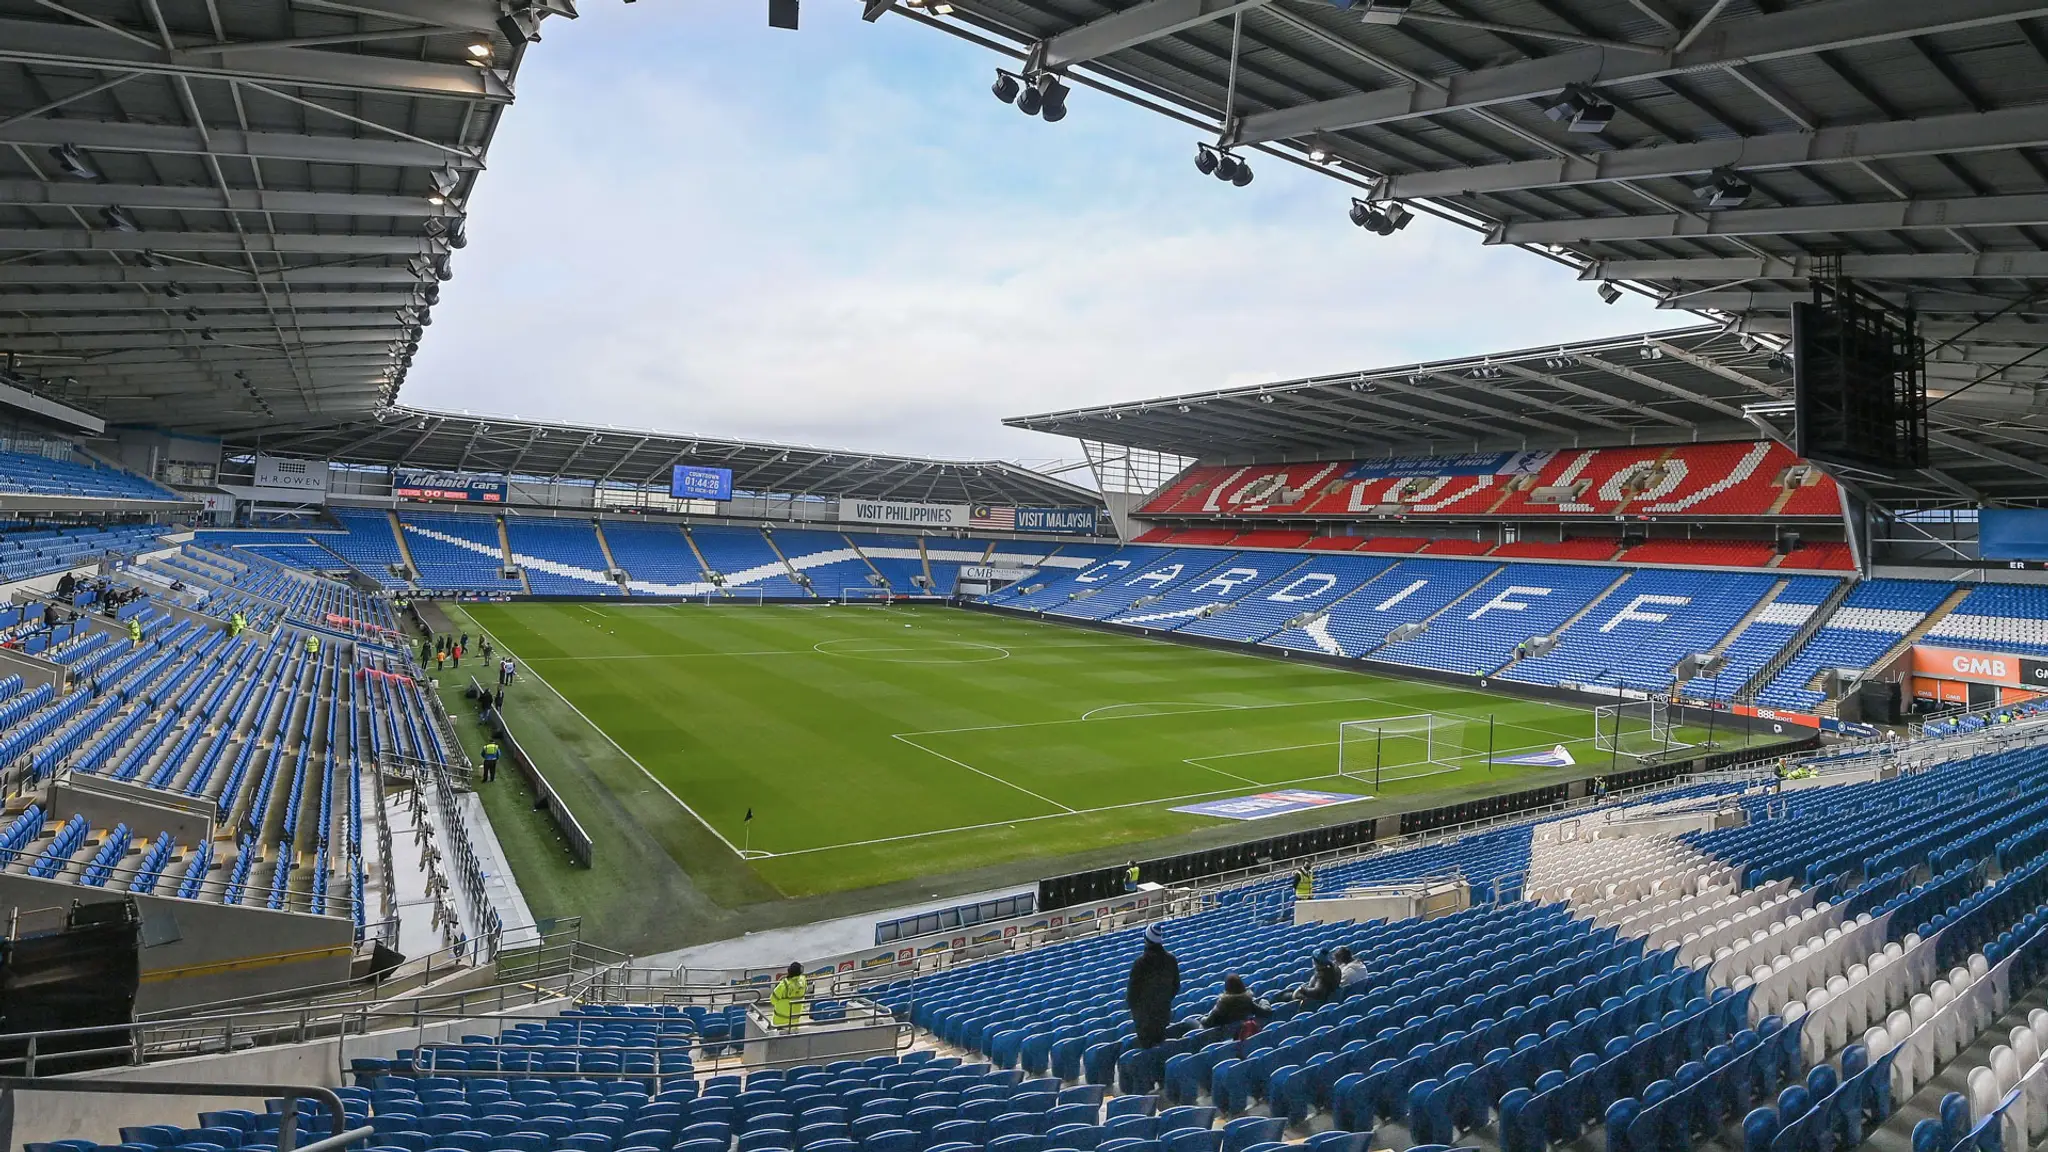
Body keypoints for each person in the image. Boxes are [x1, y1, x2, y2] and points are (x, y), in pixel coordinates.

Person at [1124, 923, 1180, 1048]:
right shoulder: (1171, 959)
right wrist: (1163, 1000)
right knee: (1159, 1045)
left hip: (1144, 1020)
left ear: (1146, 940)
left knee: (1147, 1049)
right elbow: (1176, 986)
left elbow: (1132, 994)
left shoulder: (1140, 963)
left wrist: (1137, 1012)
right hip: (1163, 1014)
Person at [1201, 974, 1272, 1037]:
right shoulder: (1247, 1002)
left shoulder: (1222, 1006)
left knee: (1190, 1022)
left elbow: (1207, 1023)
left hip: (1224, 1036)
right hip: (1238, 1033)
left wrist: (1202, 1018)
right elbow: (1265, 1012)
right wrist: (1264, 1001)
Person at [770, 962, 808, 1029]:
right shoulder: (803, 981)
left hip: (780, 1020)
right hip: (795, 1021)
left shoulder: (784, 985)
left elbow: (773, 1000)